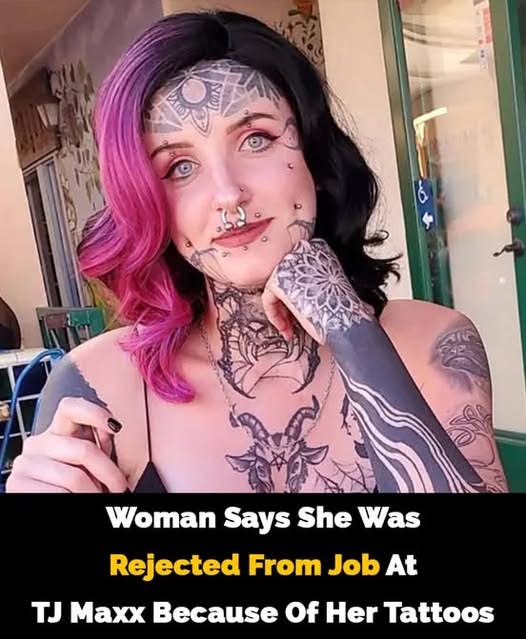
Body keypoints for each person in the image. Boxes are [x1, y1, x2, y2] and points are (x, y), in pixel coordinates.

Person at [6, 10, 507, 493]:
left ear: (314, 154)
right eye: (179, 167)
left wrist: (353, 333)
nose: (228, 194)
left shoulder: (433, 344)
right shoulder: (97, 385)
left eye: (256, 139)